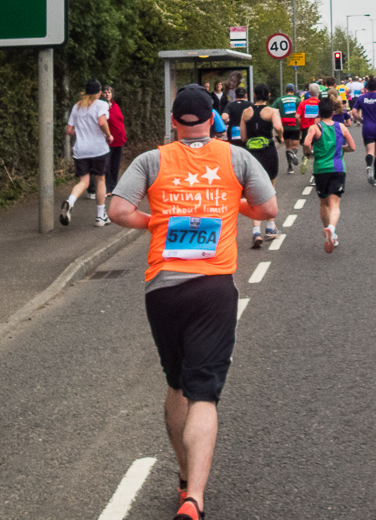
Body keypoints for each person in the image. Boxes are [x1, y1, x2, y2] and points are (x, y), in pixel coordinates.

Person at [108, 85, 277, 520]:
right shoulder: (235, 157)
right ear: (214, 120)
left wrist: (157, 222)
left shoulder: (152, 160)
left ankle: (183, 476)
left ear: (173, 121)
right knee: (203, 392)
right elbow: (268, 207)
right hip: (214, 286)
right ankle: (194, 498)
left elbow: (117, 210)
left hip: (162, 288)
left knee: (176, 383)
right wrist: (231, 207)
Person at [304, 96, 356, 252]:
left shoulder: (315, 128)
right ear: (333, 113)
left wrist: (308, 153)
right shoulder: (342, 127)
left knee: (323, 203)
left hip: (320, 169)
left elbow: (307, 143)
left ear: (319, 113)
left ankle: (328, 228)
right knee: (335, 204)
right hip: (338, 168)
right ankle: (332, 230)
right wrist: (341, 149)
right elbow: (352, 147)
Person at [61, 80, 113, 226]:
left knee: (84, 182)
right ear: (98, 93)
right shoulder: (101, 104)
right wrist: (108, 136)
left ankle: (70, 201)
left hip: (81, 150)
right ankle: (100, 216)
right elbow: (102, 122)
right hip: (98, 149)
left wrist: (82, 131)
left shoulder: (77, 106)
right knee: (100, 180)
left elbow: (69, 130)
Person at [241, 84, 284, 247]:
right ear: (269, 95)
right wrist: (279, 137)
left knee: (253, 192)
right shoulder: (272, 111)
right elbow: (278, 127)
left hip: (252, 154)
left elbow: (243, 137)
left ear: (253, 95)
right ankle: (271, 227)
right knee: (271, 188)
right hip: (268, 152)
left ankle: (256, 230)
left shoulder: (246, 112)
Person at [352, 77, 376, 185]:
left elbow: (354, 111)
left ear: (367, 87)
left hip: (367, 127)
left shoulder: (361, 98)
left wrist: (359, 119)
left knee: (370, 151)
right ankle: (375, 176)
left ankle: (369, 165)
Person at [102, 85, 127, 195]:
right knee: (107, 164)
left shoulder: (115, 105)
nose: (107, 94)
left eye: (109, 92)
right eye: (105, 92)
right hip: (108, 141)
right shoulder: (102, 106)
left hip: (119, 140)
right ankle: (107, 188)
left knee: (115, 165)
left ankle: (113, 187)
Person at [273, 83, 302, 173]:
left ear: (286, 90)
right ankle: (293, 153)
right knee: (295, 146)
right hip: (295, 125)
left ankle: (290, 167)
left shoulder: (280, 100)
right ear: (293, 91)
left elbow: (272, 109)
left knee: (287, 147)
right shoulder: (297, 100)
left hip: (284, 126)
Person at [296, 83, 322, 174]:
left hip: (305, 128)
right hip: (317, 129)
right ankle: (315, 169)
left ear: (309, 92)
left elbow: (297, 116)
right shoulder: (320, 104)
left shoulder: (303, 103)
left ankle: (306, 157)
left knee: (305, 144)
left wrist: (301, 125)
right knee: (317, 149)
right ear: (318, 92)